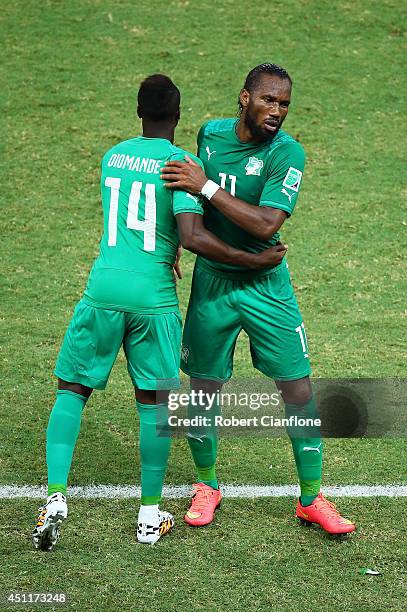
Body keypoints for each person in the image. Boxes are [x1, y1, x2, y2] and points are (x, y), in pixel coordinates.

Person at [32, 74, 288, 551]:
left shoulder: (112, 157)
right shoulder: (181, 163)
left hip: (103, 289)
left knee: (72, 389)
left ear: (138, 111)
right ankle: (149, 516)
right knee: (154, 404)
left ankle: (55, 499)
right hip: (153, 299)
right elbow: (191, 237)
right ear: (177, 115)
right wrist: (254, 259)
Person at [161, 63, 356, 535]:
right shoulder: (209, 135)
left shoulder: (287, 153)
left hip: (268, 286)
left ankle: (311, 498)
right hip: (213, 283)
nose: (278, 111)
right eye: (269, 100)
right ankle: (206, 485)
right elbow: (185, 201)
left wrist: (205, 186)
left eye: (285, 104)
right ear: (245, 98)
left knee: (298, 390)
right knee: (203, 388)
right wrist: (172, 248)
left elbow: (268, 225)